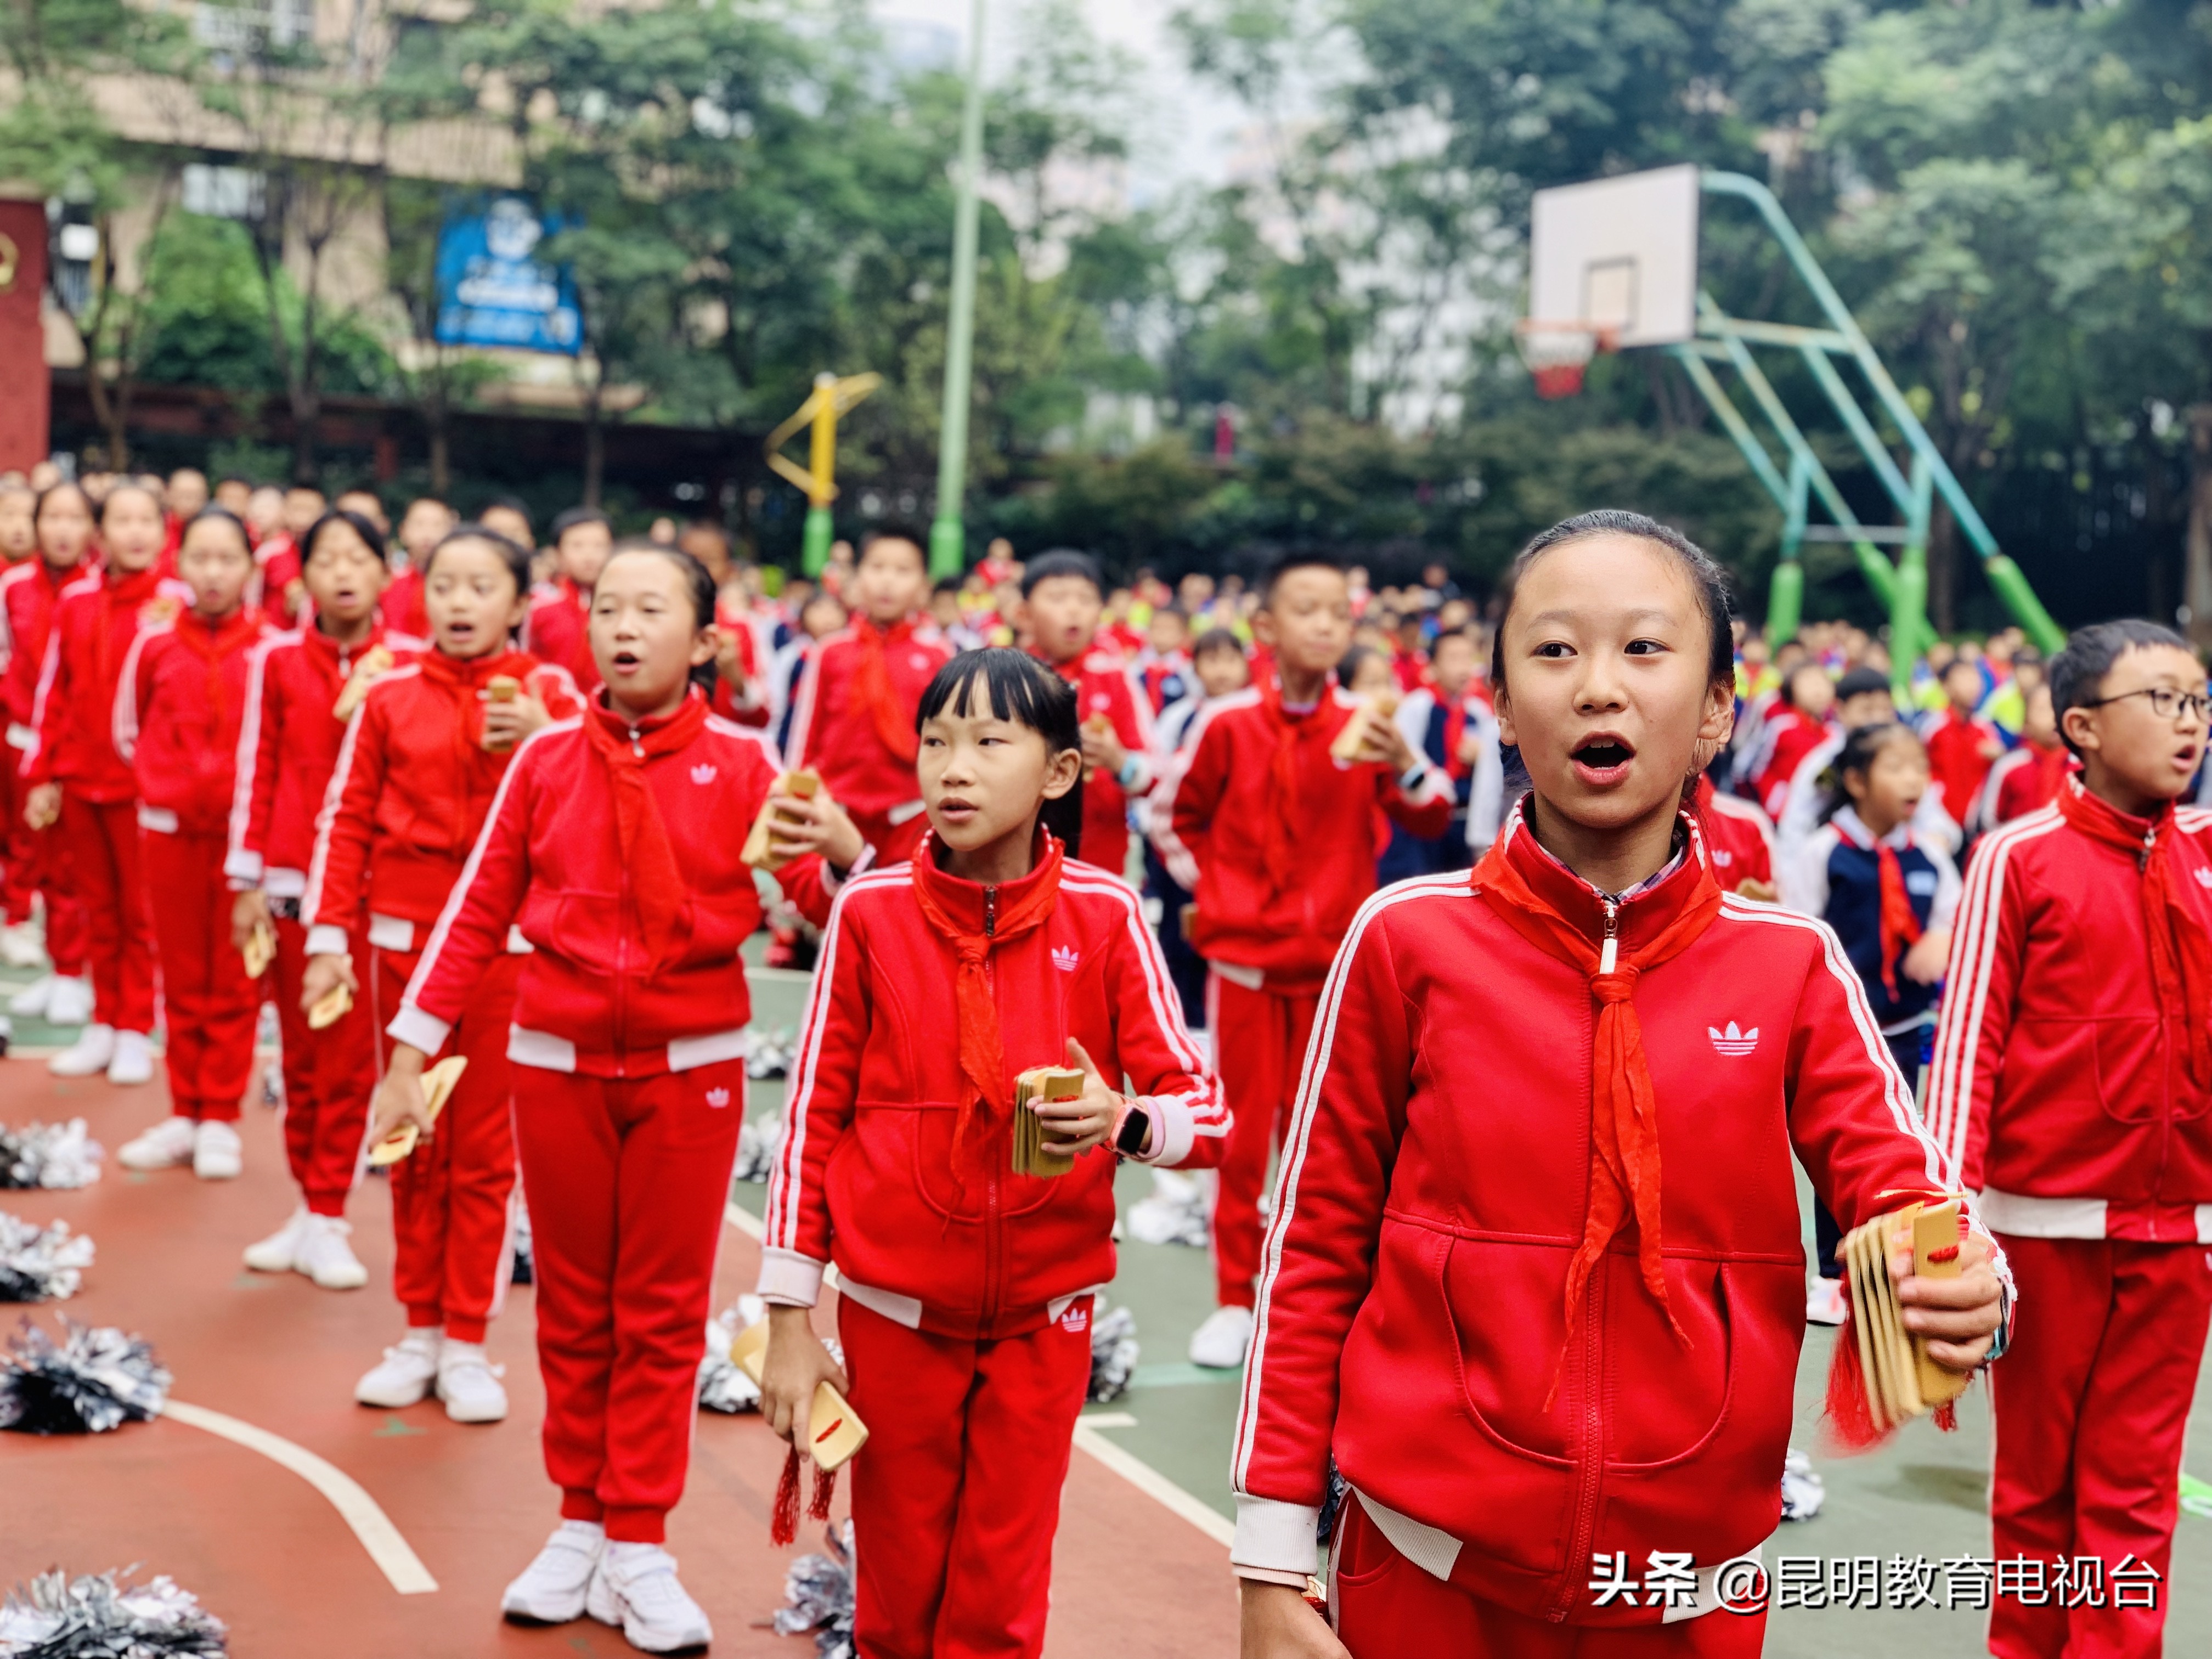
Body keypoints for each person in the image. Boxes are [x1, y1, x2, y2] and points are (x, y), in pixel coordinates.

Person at [1232, 511, 2007, 1656]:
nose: (1598, 686)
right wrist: (1267, 1561)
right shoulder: (1408, 939)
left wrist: (1965, 1283)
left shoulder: (1790, 964)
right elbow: (1315, 1250)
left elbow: (1901, 1194)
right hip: (1421, 1570)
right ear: (1498, 702)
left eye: (1645, 648)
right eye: (1554, 651)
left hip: (1687, 1600)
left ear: (1715, 714)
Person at [378, 544, 862, 1652]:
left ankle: (640, 1540)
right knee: (572, 1310)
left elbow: (832, 908)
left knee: (659, 1313)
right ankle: (577, 1525)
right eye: (606, 609)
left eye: (652, 611)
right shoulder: (545, 757)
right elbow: (476, 910)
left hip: (692, 1072)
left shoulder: (746, 760)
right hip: (553, 1064)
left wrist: (843, 853)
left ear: (703, 643)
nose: (622, 628)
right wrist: (411, 1048)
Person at [758, 647, 1226, 1659]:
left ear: (1058, 773)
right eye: (935, 743)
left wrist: (1122, 1117)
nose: (952, 769)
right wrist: (789, 1313)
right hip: (890, 1312)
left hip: (1044, 1318)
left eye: (987, 742)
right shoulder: (870, 909)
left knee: (1000, 1595)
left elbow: (1211, 1115)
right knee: (894, 1584)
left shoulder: (1106, 916)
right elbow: (811, 1115)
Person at [1926, 620, 2212, 1659]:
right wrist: (1948, 1220)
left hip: (2182, 1230)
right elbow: (1966, 1047)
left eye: (2198, 701)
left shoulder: (2208, 856)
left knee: (2136, 1489)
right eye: (2162, 701)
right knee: (2037, 1483)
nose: (2188, 724)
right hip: (2039, 1230)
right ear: (2079, 728)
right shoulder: (2018, 855)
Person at [300, 524, 579, 1425]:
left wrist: (547, 735)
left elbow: (596, 809)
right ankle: (417, 1328)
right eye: (444, 585)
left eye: (481, 586)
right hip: (399, 946)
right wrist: (327, 937)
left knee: (485, 1153)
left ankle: (466, 1340)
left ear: (519, 602)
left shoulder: (556, 696)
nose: (459, 603)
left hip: (505, 954)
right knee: (410, 1141)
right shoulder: (386, 696)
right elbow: (344, 819)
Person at [1154, 552, 1454, 1369]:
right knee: (1242, 1141)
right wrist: (1215, 893)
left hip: (1334, 977)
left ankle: (1321, 1304)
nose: (1325, 625)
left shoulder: (1367, 723)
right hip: (1244, 972)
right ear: (1266, 628)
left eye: (1339, 614)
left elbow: (1432, 814)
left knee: (1336, 1145)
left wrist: (1403, 760)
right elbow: (1171, 814)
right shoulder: (1224, 725)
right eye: (1307, 609)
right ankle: (1232, 1300)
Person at [228, 509, 414, 1289]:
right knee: (299, 1062)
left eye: (358, 557)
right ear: (300, 575)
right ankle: (309, 1207)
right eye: (326, 558)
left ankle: (331, 1215)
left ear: (384, 574)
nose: (342, 572)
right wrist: (246, 879)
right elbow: (257, 766)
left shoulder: (407, 666)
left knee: (347, 1065)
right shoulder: (275, 662)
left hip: (374, 895)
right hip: (291, 889)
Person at [106, 511, 271, 1178]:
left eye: (227, 558)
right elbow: (126, 730)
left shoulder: (270, 649)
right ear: (181, 565)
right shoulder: (151, 644)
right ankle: (185, 1110)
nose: (212, 572)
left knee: (232, 980)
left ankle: (222, 1115)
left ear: (249, 569)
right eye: (200, 558)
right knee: (178, 975)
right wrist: (163, 786)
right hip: (169, 833)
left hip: (242, 843)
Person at [1780, 721, 1960, 1326]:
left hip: (1906, 1026)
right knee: (1836, 1144)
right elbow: (1799, 928)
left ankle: (1886, 1265)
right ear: (1856, 781)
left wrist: (1939, 938)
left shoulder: (1929, 855)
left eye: (1920, 768)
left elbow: (1952, 910)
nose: (1915, 781)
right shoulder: (1822, 851)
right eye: (1898, 768)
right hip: (1841, 1033)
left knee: (1898, 1144)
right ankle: (1833, 1270)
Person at [25, 482, 191, 1089]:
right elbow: (54, 689)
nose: (135, 532)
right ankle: (103, 1020)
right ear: (103, 532)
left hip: (145, 791)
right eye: (122, 520)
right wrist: (42, 771)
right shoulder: (76, 599)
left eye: (147, 520)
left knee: (140, 915)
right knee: (98, 908)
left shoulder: (178, 602)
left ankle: (134, 1026)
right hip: (81, 779)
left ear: (165, 529)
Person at [785, 523, 952, 864]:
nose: (887, 580)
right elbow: (806, 734)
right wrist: (795, 802)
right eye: (876, 567)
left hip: (911, 813)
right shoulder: (831, 651)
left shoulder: (939, 654)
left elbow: (948, 740)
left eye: (903, 570)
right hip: (836, 811)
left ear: (923, 586)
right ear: (857, 577)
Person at [1, 485, 95, 1001]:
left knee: (76, 866)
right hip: (24, 736)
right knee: (28, 842)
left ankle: (77, 973)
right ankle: (35, 942)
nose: (61, 529)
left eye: (74, 518)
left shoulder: (96, 592)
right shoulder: (13, 585)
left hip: (81, 748)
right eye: (51, 517)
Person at [1020, 549, 1155, 879]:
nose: (1073, 608)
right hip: (1019, 855)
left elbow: (1155, 774)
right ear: (1024, 614)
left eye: (1086, 598)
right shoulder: (1008, 677)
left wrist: (1117, 761)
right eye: (1057, 597)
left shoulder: (1115, 676)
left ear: (1101, 611)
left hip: (1101, 857)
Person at [1391, 628, 1503, 876]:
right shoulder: (1417, 706)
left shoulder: (1479, 711)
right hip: (1428, 818)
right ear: (1433, 665)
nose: (1464, 668)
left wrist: (1481, 757)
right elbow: (1405, 756)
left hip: (1465, 817)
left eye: (1468, 659)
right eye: (1454, 658)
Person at [526, 508, 614, 693]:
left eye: (599, 546)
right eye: (577, 546)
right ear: (558, 554)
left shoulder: (621, 606)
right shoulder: (539, 604)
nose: (589, 556)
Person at [1921, 655, 2006, 831]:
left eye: (1975, 678)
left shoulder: (1985, 728)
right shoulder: (1933, 726)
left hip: (1974, 822)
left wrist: (1999, 756)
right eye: (1963, 679)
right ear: (1946, 686)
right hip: (1939, 821)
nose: (1971, 685)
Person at [1973, 679, 2068, 831]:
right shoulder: (2009, 766)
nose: (2052, 718)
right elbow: (1988, 820)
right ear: (2026, 723)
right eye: (2042, 710)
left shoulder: (2080, 765)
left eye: (2056, 708)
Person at [1751, 660, 1834, 821]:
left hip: (1813, 816)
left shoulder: (1833, 734)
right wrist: (1774, 801)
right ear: (1791, 688)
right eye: (1809, 682)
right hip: (1778, 815)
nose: (1818, 689)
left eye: (1823, 682)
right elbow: (1755, 768)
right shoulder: (1781, 727)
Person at [384, 496, 457, 636]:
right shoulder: (389, 581)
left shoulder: (458, 585)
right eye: (419, 524)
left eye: (437, 525)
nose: (428, 534)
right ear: (403, 531)